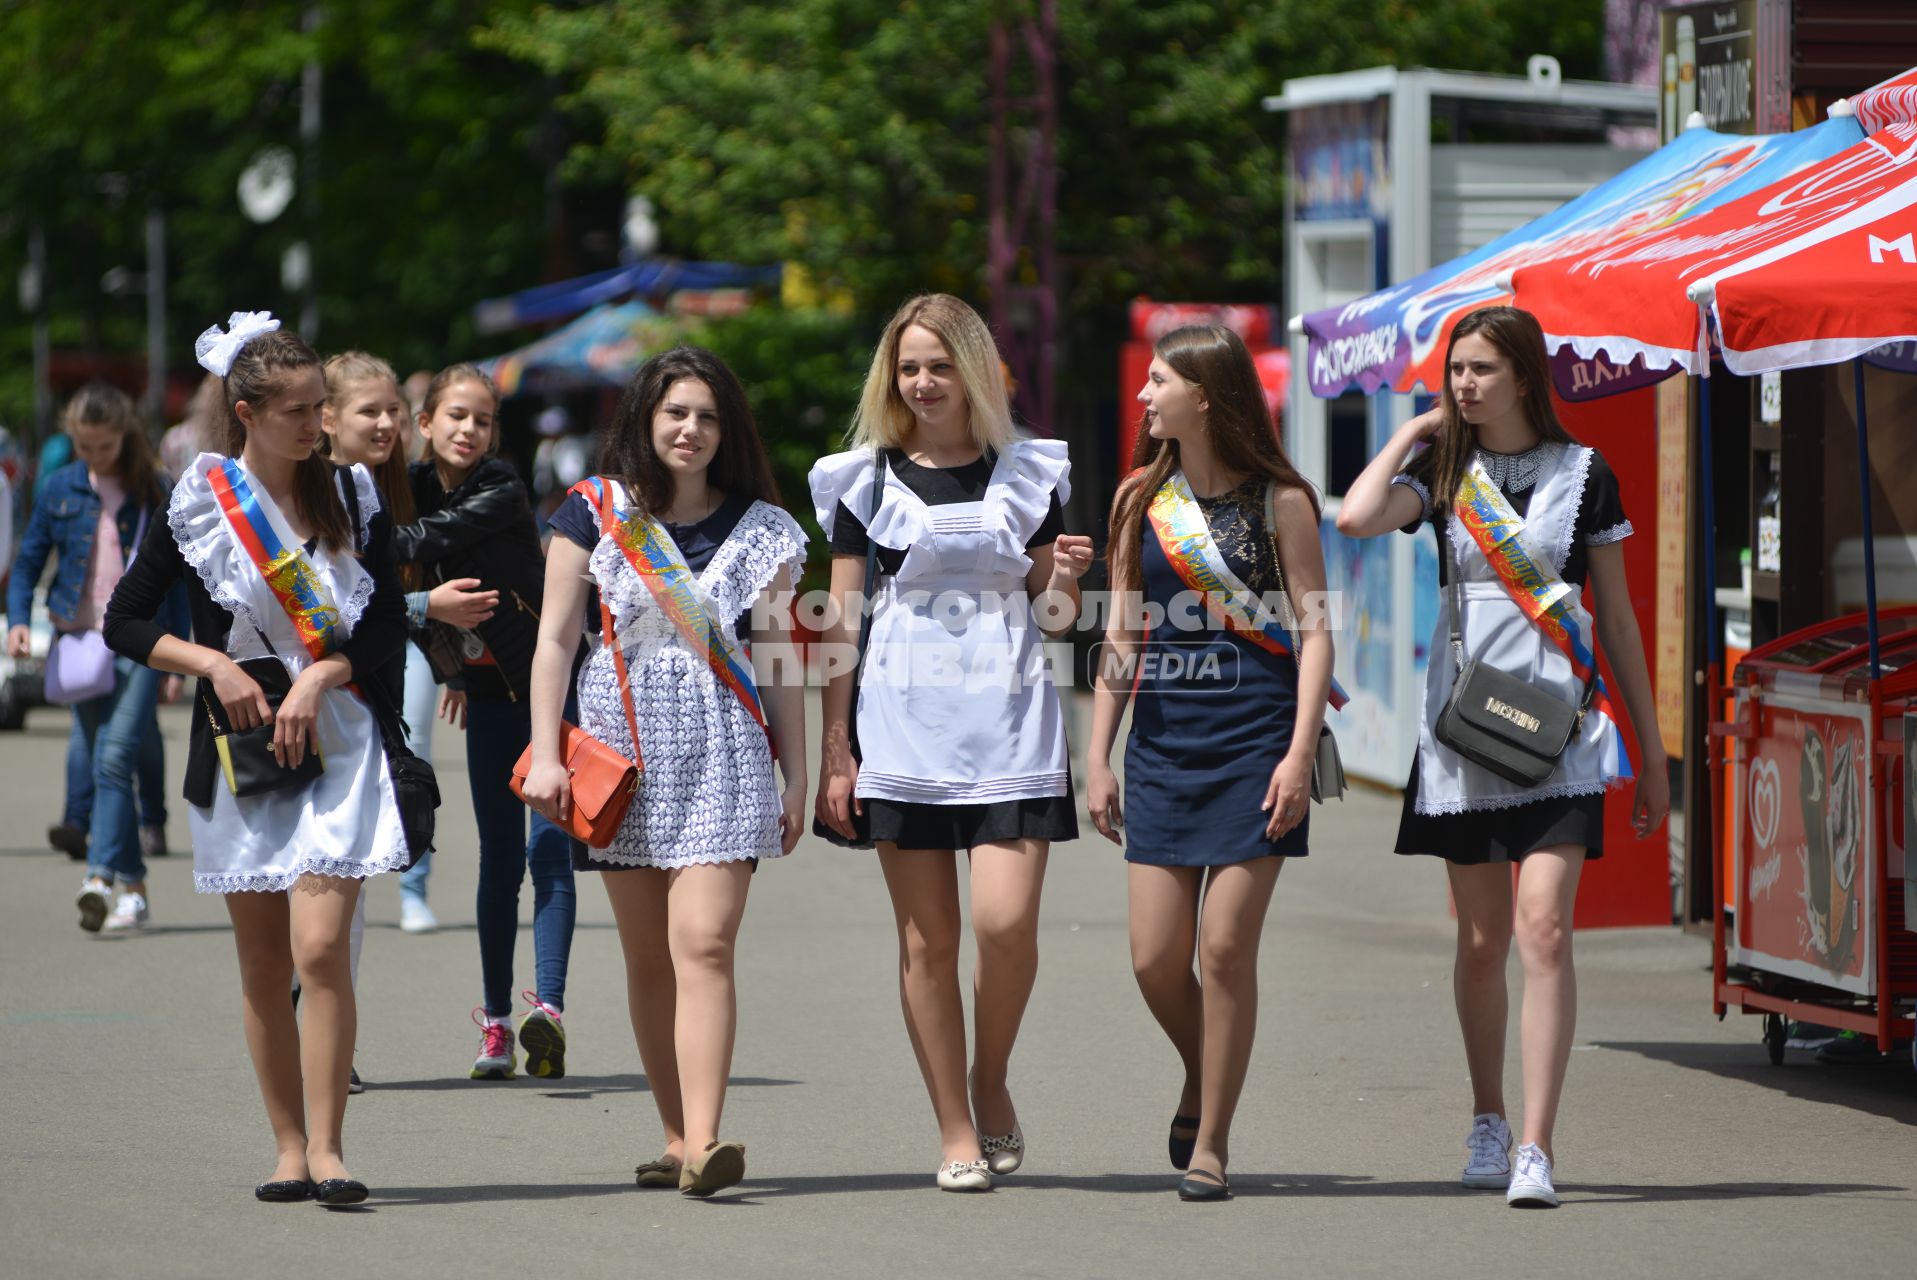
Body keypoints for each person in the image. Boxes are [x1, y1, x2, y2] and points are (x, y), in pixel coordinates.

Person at [1334, 305, 1668, 1209]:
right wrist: (1412, 430)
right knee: (1480, 943)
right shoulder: (1445, 473)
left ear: (1524, 374)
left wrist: (1654, 752)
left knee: (1542, 931)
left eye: (1480, 369)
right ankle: (1485, 1118)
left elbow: (1621, 621)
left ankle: (1535, 1145)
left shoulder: (1585, 474)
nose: (1463, 385)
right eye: (1454, 371)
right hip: (1464, 737)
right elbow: (1358, 517)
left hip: (1559, 734)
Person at [103, 311, 409, 1205]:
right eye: (299, 411)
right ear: (246, 411)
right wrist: (210, 664)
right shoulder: (200, 500)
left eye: (322, 407)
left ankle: (329, 1147)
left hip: (339, 740)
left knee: (321, 951)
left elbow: (386, 623)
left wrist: (324, 676)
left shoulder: (352, 498)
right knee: (264, 965)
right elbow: (127, 617)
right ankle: (284, 1146)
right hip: (239, 753)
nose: (317, 426)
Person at [810, 294, 1094, 1192]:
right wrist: (835, 751)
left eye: (938, 364)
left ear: (973, 370)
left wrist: (1067, 576)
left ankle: (990, 1075)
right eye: (908, 367)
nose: (923, 382)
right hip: (901, 725)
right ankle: (954, 1126)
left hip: (1009, 719)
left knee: (1005, 926)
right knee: (928, 940)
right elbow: (841, 618)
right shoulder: (863, 480)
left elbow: (1055, 616)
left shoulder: (1031, 472)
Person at [522, 347, 808, 1198]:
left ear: (729, 431)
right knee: (649, 957)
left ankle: (710, 1139)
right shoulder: (593, 513)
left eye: (708, 416)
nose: (691, 430)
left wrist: (795, 772)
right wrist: (545, 752)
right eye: (676, 412)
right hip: (623, 753)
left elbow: (784, 659)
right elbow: (554, 640)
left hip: (725, 750)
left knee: (704, 945)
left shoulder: (763, 528)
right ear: (645, 418)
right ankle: (677, 1136)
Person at [1085, 324, 1337, 1202]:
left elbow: (1313, 633)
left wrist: (1299, 755)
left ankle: (1213, 1144)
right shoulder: (1134, 501)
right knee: (1155, 960)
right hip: (1161, 746)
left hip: (1256, 745)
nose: (1145, 396)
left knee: (1225, 949)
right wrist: (1097, 756)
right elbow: (1120, 637)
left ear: (1206, 395)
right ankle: (1203, 1071)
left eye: (1160, 382)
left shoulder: (1282, 502)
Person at [391, 364, 577, 1079]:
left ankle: (547, 1012)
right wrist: (452, 669)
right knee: (499, 859)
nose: (471, 430)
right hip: (490, 694)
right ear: (426, 422)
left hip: (550, 691)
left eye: (484, 420)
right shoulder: (405, 486)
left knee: (548, 852)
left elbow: (417, 548)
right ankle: (496, 1025)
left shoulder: (500, 486)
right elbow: (416, 601)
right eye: (457, 417)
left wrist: (361, 537)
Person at [322, 352, 497, 937]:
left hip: (398, 651)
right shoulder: (314, 490)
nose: (385, 424)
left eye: (392, 409)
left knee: (410, 755)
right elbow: (345, 606)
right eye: (369, 411)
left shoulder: (397, 481)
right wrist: (429, 606)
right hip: (327, 668)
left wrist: (450, 668)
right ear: (327, 418)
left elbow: (404, 591)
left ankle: (411, 884)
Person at [8, 383, 188, 932]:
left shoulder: (155, 488)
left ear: (125, 436)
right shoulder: (61, 486)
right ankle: (133, 889)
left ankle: (97, 876)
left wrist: (178, 657)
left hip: (139, 641)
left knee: (112, 758)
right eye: (83, 447)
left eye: (104, 447)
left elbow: (178, 580)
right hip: (80, 642)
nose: (93, 458)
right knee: (100, 756)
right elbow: (28, 561)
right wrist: (18, 619)